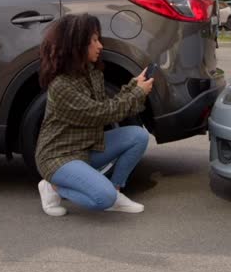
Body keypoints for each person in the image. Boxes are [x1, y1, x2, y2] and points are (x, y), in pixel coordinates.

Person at [34, 13, 154, 216]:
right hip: (58, 157)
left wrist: (134, 85)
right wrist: (137, 92)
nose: (100, 46)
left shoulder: (91, 73)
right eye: (94, 40)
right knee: (102, 198)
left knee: (138, 136)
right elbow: (99, 114)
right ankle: (52, 186)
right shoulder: (61, 86)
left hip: (86, 147)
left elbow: (107, 106)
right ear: (77, 45)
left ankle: (116, 191)